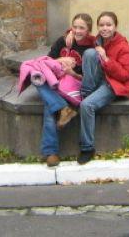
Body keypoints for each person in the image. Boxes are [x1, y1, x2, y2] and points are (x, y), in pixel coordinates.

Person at [34, 13, 96, 167]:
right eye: (75, 27)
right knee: (35, 76)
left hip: (75, 88)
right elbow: (47, 62)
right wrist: (61, 60)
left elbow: (90, 79)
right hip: (57, 83)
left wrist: (72, 73)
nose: (77, 31)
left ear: (89, 30)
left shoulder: (92, 48)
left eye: (82, 28)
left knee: (50, 107)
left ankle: (51, 153)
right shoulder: (63, 41)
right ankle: (63, 108)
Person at [77, 11, 129, 165]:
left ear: (115, 26)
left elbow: (125, 75)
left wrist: (106, 58)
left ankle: (87, 148)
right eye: (101, 25)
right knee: (90, 53)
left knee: (86, 105)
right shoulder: (97, 40)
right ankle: (87, 94)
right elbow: (81, 32)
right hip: (98, 79)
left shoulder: (124, 47)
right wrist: (69, 33)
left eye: (109, 25)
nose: (105, 28)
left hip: (112, 84)